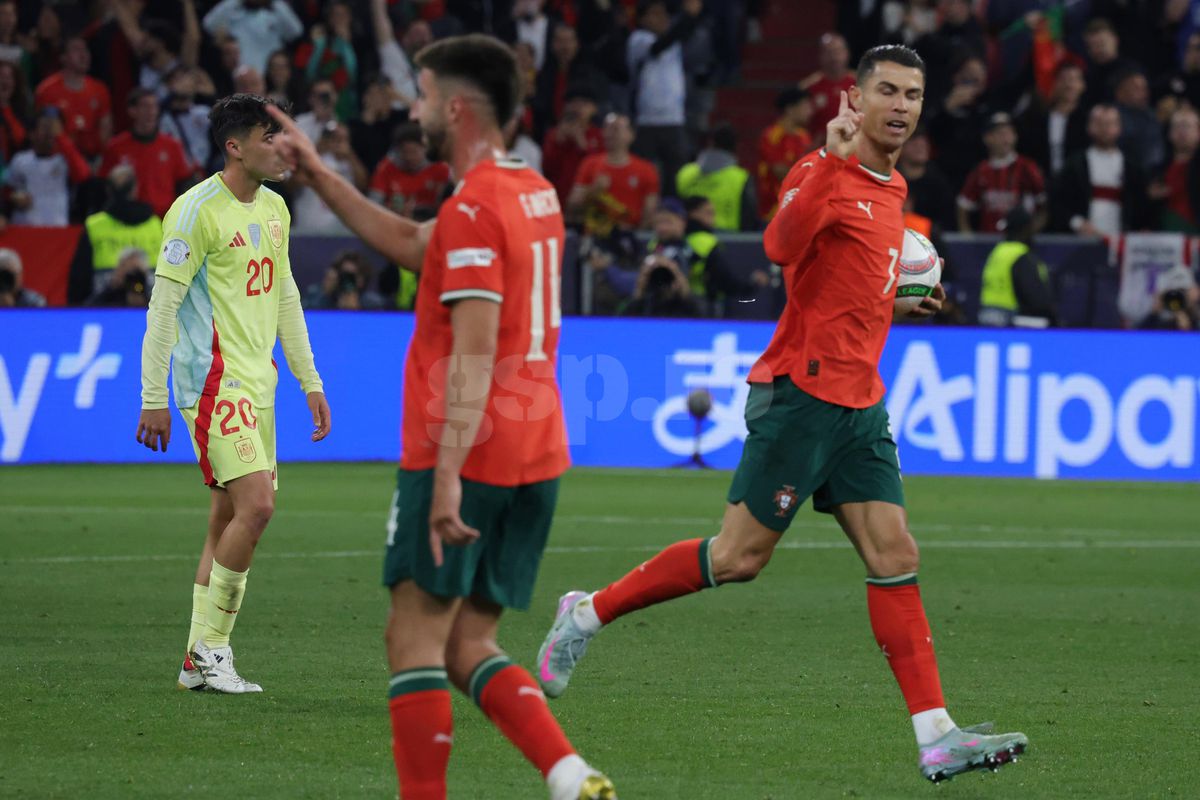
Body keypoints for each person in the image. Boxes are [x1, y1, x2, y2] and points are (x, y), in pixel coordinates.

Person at [536, 44, 1029, 786]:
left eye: (912, 94)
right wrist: (829, 163)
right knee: (738, 559)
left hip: (860, 405)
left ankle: (937, 736)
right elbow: (779, 245)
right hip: (802, 395)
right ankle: (586, 613)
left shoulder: (893, 187)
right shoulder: (819, 170)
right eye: (887, 91)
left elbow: (844, 280)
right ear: (854, 99)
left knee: (895, 554)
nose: (901, 106)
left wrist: (898, 300)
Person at [266, 34, 616, 800]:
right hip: (537, 450)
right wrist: (319, 174)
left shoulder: (474, 208)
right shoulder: (533, 191)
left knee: (414, 641)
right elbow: (414, 241)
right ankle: (571, 776)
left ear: (454, 108)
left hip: (467, 449)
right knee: (468, 644)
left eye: (423, 95)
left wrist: (448, 475)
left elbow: (474, 350)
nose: (416, 109)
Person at [136, 93, 331, 695]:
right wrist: (153, 396)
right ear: (235, 146)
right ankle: (212, 650)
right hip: (212, 383)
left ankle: (195, 661)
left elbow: (286, 296)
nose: (283, 148)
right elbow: (162, 309)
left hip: (259, 383)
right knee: (258, 508)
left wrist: (309, 379)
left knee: (225, 519)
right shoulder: (194, 212)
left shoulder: (275, 208)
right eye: (270, 137)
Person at [1051, 103, 1149, 237]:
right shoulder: (1074, 165)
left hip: (1121, 240)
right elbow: (1057, 202)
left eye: (1109, 124)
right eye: (1099, 123)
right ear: (1089, 127)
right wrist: (1077, 223)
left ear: (1119, 127)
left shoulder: (1132, 168)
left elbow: (1141, 206)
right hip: (1081, 240)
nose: (1104, 129)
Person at [99, 89, 195, 218]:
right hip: (129, 219)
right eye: (145, 106)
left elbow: (184, 183)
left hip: (164, 219)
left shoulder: (172, 146)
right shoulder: (116, 147)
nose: (151, 112)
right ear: (132, 111)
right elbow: (105, 185)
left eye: (154, 106)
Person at [568, 112, 660, 236]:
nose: (609, 133)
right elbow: (572, 206)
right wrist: (593, 190)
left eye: (616, 129)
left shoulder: (646, 170)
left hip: (630, 235)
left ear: (631, 135)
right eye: (606, 128)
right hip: (595, 235)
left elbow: (649, 212)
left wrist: (635, 236)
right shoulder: (590, 164)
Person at [956, 112, 1046, 234]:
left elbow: (1044, 206)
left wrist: (1029, 232)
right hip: (989, 239)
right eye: (1000, 133)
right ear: (987, 138)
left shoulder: (1027, 168)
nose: (1005, 138)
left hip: (1018, 239)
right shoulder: (981, 171)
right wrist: (967, 235)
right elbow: (963, 205)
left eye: (1009, 133)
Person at [83, 164, 163, 293]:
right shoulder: (156, 224)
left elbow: (80, 276)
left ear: (108, 190)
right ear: (135, 189)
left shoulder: (94, 225)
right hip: (150, 300)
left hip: (105, 302)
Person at [4, 108, 90, 227]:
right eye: (45, 126)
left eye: (55, 127)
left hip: (56, 229)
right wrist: (14, 197)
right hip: (24, 228)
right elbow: (7, 190)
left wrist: (61, 137)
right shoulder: (20, 159)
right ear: (32, 134)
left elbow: (83, 175)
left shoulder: (65, 159)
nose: (51, 132)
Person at [33, 35, 112, 160]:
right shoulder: (47, 91)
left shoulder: (100, 89)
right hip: (59, 159)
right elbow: (45, 132)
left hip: (92, 159)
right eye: (76, 50)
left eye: (85, 50)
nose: (83, 55)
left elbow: (106, 130)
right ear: (63, 57)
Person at [977, 205, 1056, 327]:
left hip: (987, 317)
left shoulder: (997, 252)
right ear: (1026, 228)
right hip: (1010, 321)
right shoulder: (1021, 255)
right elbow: (1038, 300)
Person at [675, 122, 758, 231]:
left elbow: (674, 207)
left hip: (689, 235)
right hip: (729, 237)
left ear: (710, 143)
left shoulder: (685, 172)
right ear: (736, 146)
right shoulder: (741, 178)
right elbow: (749, 216)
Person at [369, 122, 451, 219]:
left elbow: (447, 205)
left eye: (414, 151)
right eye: (404, 152)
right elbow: (373, 204)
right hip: (393, 220)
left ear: (425, 148)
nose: (409, 157)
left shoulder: (440, 170)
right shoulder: (386, 168)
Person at [757, 87, 813, 220]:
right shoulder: (772, 135)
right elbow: (780, 172)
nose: (810, 111)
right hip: (774, 210)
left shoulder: (804, 137)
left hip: (799, 209)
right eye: (805, 106)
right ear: (790, 109)